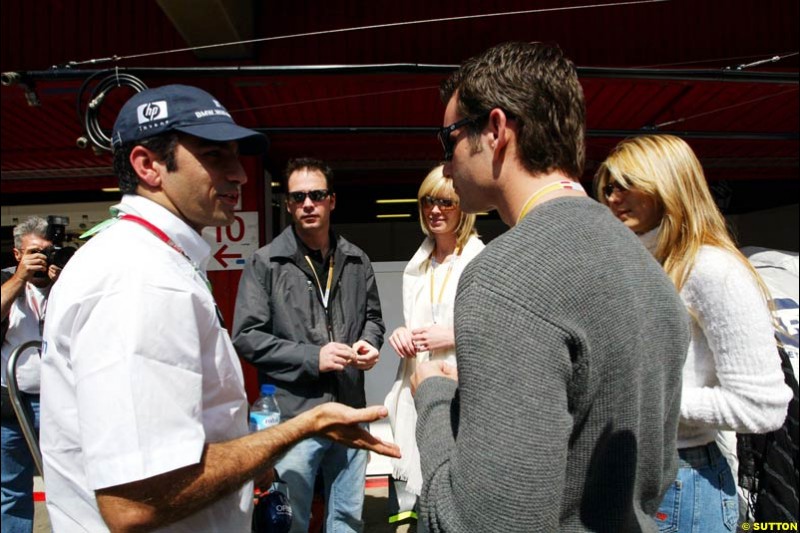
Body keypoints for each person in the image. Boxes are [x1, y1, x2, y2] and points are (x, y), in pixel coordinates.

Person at [38, 85, 399, 533]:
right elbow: (136, 502)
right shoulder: (140, 278)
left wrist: (252, 457)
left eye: (235, 156)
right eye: (214, 156)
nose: (239, 175)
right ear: (148, 166)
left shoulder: (156, 261)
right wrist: (297, 429)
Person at [410, 41, 691, 532]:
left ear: (496, 130)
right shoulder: (650, 273)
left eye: (448, 138)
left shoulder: (506, 276)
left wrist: (432, 397)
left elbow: (479, 524)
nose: (447, 164)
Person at [594, 134, 792, 532]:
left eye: (628, 185)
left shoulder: (712, 269)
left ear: (668, 184)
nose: (613, 197)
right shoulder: (637, 262)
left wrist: (647, 399)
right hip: (627, 475)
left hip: (684, 482)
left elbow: (762, 407)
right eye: (608, 187)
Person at [233, 157, 385, 533]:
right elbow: (246, 336)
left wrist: (368, 343)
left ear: (331, 200)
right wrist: (313, 358)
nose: (307, 204)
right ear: (287, 204)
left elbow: (374, 319)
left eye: (316, 195)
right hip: (295, 417)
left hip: (349, 408)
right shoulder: (266, 263)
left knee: (347, 518)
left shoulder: (356, 260)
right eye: (298, 196)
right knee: (291, 521)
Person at [383, 164, 483, 528]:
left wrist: (454, 335)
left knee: (453, 491)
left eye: (447, 202)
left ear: (464, 208)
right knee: (421, 497)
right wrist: (402, 334)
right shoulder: (419, 263)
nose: (435, 210)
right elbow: (417, 322)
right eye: (428, 201)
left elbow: (498, 331)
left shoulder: (481, 260)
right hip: (417, 385)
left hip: (462, 392)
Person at [1, 216, 61, 533]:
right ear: (16, 254)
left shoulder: (66, 283)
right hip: (12, 404)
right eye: (34, 251)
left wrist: (63, 282)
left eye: (47, 251)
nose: (42, 258)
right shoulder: (5, 281)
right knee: (12, 491)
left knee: (69, 482)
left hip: (59, 403)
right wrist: (19, 278)